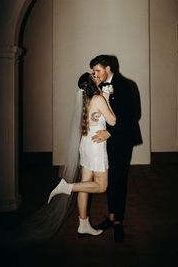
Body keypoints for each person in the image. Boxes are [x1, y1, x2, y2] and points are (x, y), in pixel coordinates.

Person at [47, 72, 116, 237]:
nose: (96, 75)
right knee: (101, 186)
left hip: (85, 144)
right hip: (96, 147)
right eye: (94, 75)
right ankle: (66, 187)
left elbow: (96, 117)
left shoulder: (86, 99)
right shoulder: (98, 99)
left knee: (85, 185)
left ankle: (83, 224)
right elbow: (112, 120)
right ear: (92, 83)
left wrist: (105, 95)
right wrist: (106, 98)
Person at [90, 55, 141, 242]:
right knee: (109, 177)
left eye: (97, 70)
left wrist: (110, 132)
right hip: (105, 141)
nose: (95, 74)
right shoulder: (98, 85)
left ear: (108, 68)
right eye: (93, 71)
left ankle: (118, 221)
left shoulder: (127, 85)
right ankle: (111, 216)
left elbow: (133, 114)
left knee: (119, 178)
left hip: (122, 139)